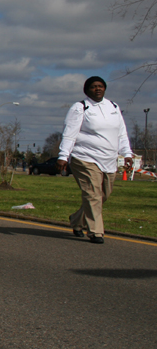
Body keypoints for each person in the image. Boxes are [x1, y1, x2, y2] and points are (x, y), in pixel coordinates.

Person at [56, 76, 133, 244]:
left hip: (109, 160)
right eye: (93, 87)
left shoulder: (113, 106)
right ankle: (96, 232)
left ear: (105, 89)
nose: (97, 89)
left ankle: (77, 221)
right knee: (92, 194)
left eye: (100, 86)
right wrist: (63, 155)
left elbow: (121, 133)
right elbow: (70, 133)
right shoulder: (80, 107)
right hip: (85, 157)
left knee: (103, 195)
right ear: (87, 90)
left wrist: (127, 153)